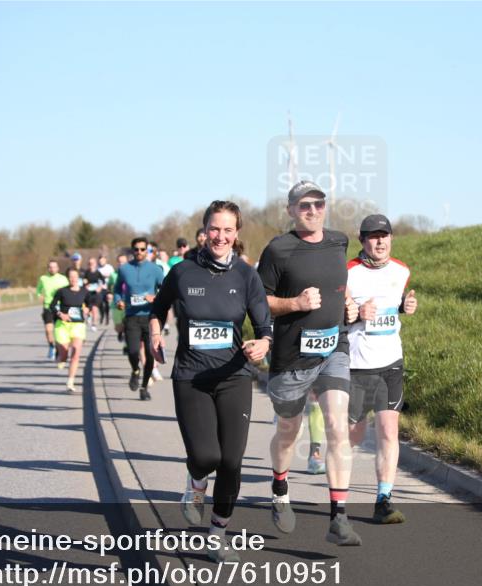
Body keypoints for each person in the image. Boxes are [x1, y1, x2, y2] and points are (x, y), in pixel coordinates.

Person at [150, 200, 272, 563]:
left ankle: (217, 533)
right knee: (206, 456)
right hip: (191, 376)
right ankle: (196, 483)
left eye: (228, 230)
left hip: (233, 374)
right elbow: (158, 308)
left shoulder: (247, 276)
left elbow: (265, 326)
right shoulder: (183, 271)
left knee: (232, 462)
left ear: (237, 234)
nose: (220, 236)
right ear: (204, 232)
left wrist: (263, 344)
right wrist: (155, 333)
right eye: (214, 229)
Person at [257, 180, 361, 546]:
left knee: (336, 425)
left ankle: (339, 517)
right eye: (304, 205)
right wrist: (295, 304)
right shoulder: (278, 250)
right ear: (290, 210)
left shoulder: (339, 241)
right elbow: (260, 301)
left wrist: (349, 304)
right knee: (289, 433)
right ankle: (280, 486)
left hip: (334, 349)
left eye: (318, 203)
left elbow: (340, 283)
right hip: (291, 360)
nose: (313, 210)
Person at [346, 214, 419, 524]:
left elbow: (395, 302)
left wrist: (405, 306)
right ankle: (339, 495)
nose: (379, 242)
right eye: (373, 237)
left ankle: (383, 499)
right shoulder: (347, 272)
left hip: (390, 363)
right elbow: (337, 315)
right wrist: (356, 313)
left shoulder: (402, 270)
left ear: (391, 238)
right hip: (356, 366)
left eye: (384, 236)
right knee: (354, 436)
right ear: (362, 241)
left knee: (389, 431)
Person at [113, 237, 163, 400]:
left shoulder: (155, 269)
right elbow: (117, 290)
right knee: (133, 351)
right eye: (136, 249)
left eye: (143, 249)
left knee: (150, 356)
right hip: (132, 316)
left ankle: (144, 387)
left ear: (147, 251)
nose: (139, 252)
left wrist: (155, 297)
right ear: (132, 250)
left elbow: (166, 291)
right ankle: (135, 370)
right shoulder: (124, 269)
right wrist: (118, 301)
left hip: (150, 317)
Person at [49, 267, 89, 392]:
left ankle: (70, 381)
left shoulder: (84, 291)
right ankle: (60, 356)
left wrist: (88, 308)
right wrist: (61, 314)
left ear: (79, 278)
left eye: (75, 276)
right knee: (65, 354)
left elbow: (90, 303)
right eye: (71, 277)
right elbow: (52, 306)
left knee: (76, 353)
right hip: (63, 325)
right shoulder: (61, 291)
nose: (73, 279)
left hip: (78, 325)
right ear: (67, 278)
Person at [36, 260, 69, 361]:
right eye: (50, 267)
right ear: (48, 268)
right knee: (48, 330)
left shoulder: (63, 279)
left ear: (58, 268)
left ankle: (59, 349)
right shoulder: (43, 278)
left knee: (58, 331)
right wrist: (39, 296)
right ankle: (51, 346)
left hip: (60, 307)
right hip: (48, 307)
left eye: (54, 267)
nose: (52, 269)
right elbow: (38, 290)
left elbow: (68, 292)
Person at [82, 256, 106, 331]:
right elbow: (82, 282)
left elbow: (103, 282)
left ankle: (94, 324)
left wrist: (100, 287)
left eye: (92, 263)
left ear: (95, 264)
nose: (91, 264)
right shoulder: (86, 272)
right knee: (89, 309)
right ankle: (89, 315)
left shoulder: (98, 273)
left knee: (95, 308)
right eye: (89, 263)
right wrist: (85, 284)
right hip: (88, 294)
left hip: (96, 294)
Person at [97, 255, 115, 325]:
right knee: (100, 303)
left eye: (102, 260)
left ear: (105, 260)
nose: (101, 262)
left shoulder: (109, 267)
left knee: (106, 303)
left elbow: (112, 275)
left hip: (107, 288)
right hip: (100, 288)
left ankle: (107, 317)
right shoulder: (98, 268)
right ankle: (102, 315)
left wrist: (106, 276)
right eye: (100, 261)